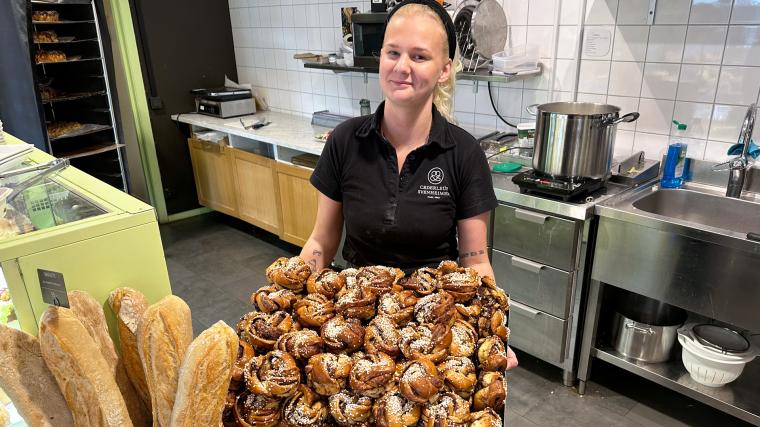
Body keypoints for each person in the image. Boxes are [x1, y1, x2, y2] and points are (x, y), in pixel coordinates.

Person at [300, 0, 517, 369]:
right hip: (356, 321)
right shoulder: (345, 141)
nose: (402, 67)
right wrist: (293, 302)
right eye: (393, 52)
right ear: (380, 56)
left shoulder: (463, 153)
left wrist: (491, 333)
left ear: (444, 70)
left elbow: (474, 259)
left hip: (433, 325)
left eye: (419, 57)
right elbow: (321, 242)